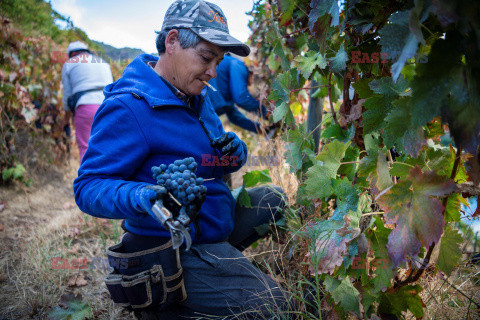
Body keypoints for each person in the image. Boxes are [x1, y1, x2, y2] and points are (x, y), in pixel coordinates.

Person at [73, 1, 290, 319]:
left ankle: (217, 271)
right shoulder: (130, 107)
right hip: (170, 244)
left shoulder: (197, 94)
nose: (213, 72)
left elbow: (216, 161)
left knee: (274, 199)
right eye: (206, 57)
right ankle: (175, 299)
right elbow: (88, 187)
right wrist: (145, 196)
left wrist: (235, 153)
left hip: (211, 222)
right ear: (172, 41)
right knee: (276, 308)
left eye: (218, 61)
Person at [61, 41, 113, 162]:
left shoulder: (69, 64)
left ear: (72, 53)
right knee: (107, 149)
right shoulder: (103, 62)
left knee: (86, 149)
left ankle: (87, 180)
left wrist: (66, 120)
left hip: (86, 107)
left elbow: (67, 96)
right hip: (109, 107)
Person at [208, 54, 277, 134]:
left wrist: (261, 129)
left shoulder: (225, 84)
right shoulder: (239, 65)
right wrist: (268, 113)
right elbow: (241, 98)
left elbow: (234, 116)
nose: (250, 85)